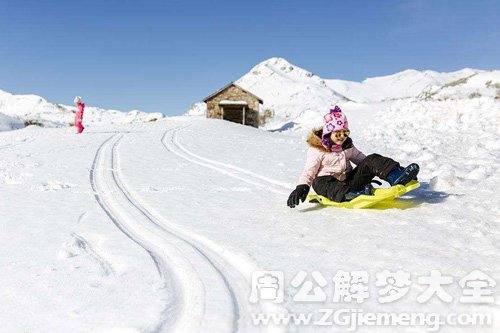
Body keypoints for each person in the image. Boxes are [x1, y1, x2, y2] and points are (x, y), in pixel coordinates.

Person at [287, 105, 419, 208]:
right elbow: (309, 172)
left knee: (371, 158)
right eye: (338, 134)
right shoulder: (317, 150)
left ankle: (395, 176)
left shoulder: (347, 146)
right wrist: (302, 187)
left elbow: (364, 161)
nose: (342, 137)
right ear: (328, 133)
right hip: (330, 185)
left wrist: (393, 169)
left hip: (350, 181)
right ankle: (350, 195)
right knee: (318, 182)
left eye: (345, 133)